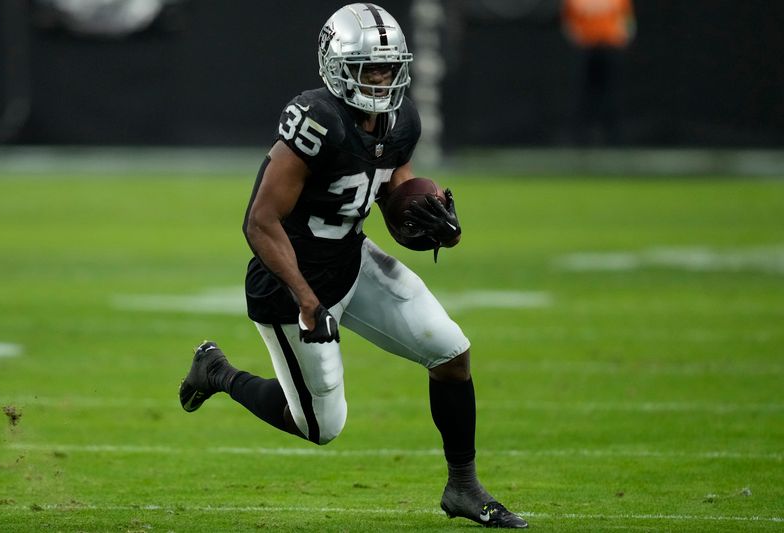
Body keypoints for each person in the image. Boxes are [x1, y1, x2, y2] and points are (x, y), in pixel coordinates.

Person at [178, 3, 527, 529]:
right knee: (321, 426)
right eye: (369, 67)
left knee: (451, 351)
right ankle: (219, 372)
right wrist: (306, 298)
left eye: (389, 66)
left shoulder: (401, 118)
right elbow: (260, 222)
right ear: (337, 67)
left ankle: (463, 486)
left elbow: (390, 197)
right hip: (289, 282)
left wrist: (426, 224)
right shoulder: (317, 120)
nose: (381, 78)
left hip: (352, 258)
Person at [562, 0, 635, 145]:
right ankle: (583, 136)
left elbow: (627, 21)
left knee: (611, 91)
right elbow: (569, 23)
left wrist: (621, 38)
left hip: (610, 46)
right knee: (586, 92)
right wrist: (581, 39)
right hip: (587, 48)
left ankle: (614, 136)